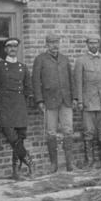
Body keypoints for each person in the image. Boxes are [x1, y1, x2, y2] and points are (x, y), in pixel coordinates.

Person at [32, 33, 76, 173]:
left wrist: (74, 97)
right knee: (51, 132)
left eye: (56, 42)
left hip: (66, 100)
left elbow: (71, 79)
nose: (54, 45)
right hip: (49, 101)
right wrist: (39, 100)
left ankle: (70, 163)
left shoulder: (64, 59)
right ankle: (53, 165)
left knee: (68, 130)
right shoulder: (40, 59)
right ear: (46, 44)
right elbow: (36, 81)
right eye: (51, 43)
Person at [0, 37, 34, 180]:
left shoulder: (23, 67)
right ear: (5, 49)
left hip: (20, 106)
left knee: (19, 139)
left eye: (15, 47)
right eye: (9, 46)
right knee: (12, 138)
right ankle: (29, 162)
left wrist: (27, 103)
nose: (12, 49)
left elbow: (28, 88)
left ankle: (16, 172)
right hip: (5, 107)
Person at [74, 34, 101, 168]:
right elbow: (78, 83)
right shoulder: (81, 60)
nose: (94, 45)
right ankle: (90, 160)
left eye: (96, 43)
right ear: (87, 44)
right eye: (91, 43)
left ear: (99, 44)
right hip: (88, 102)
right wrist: (80, 101)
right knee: (89, 132)